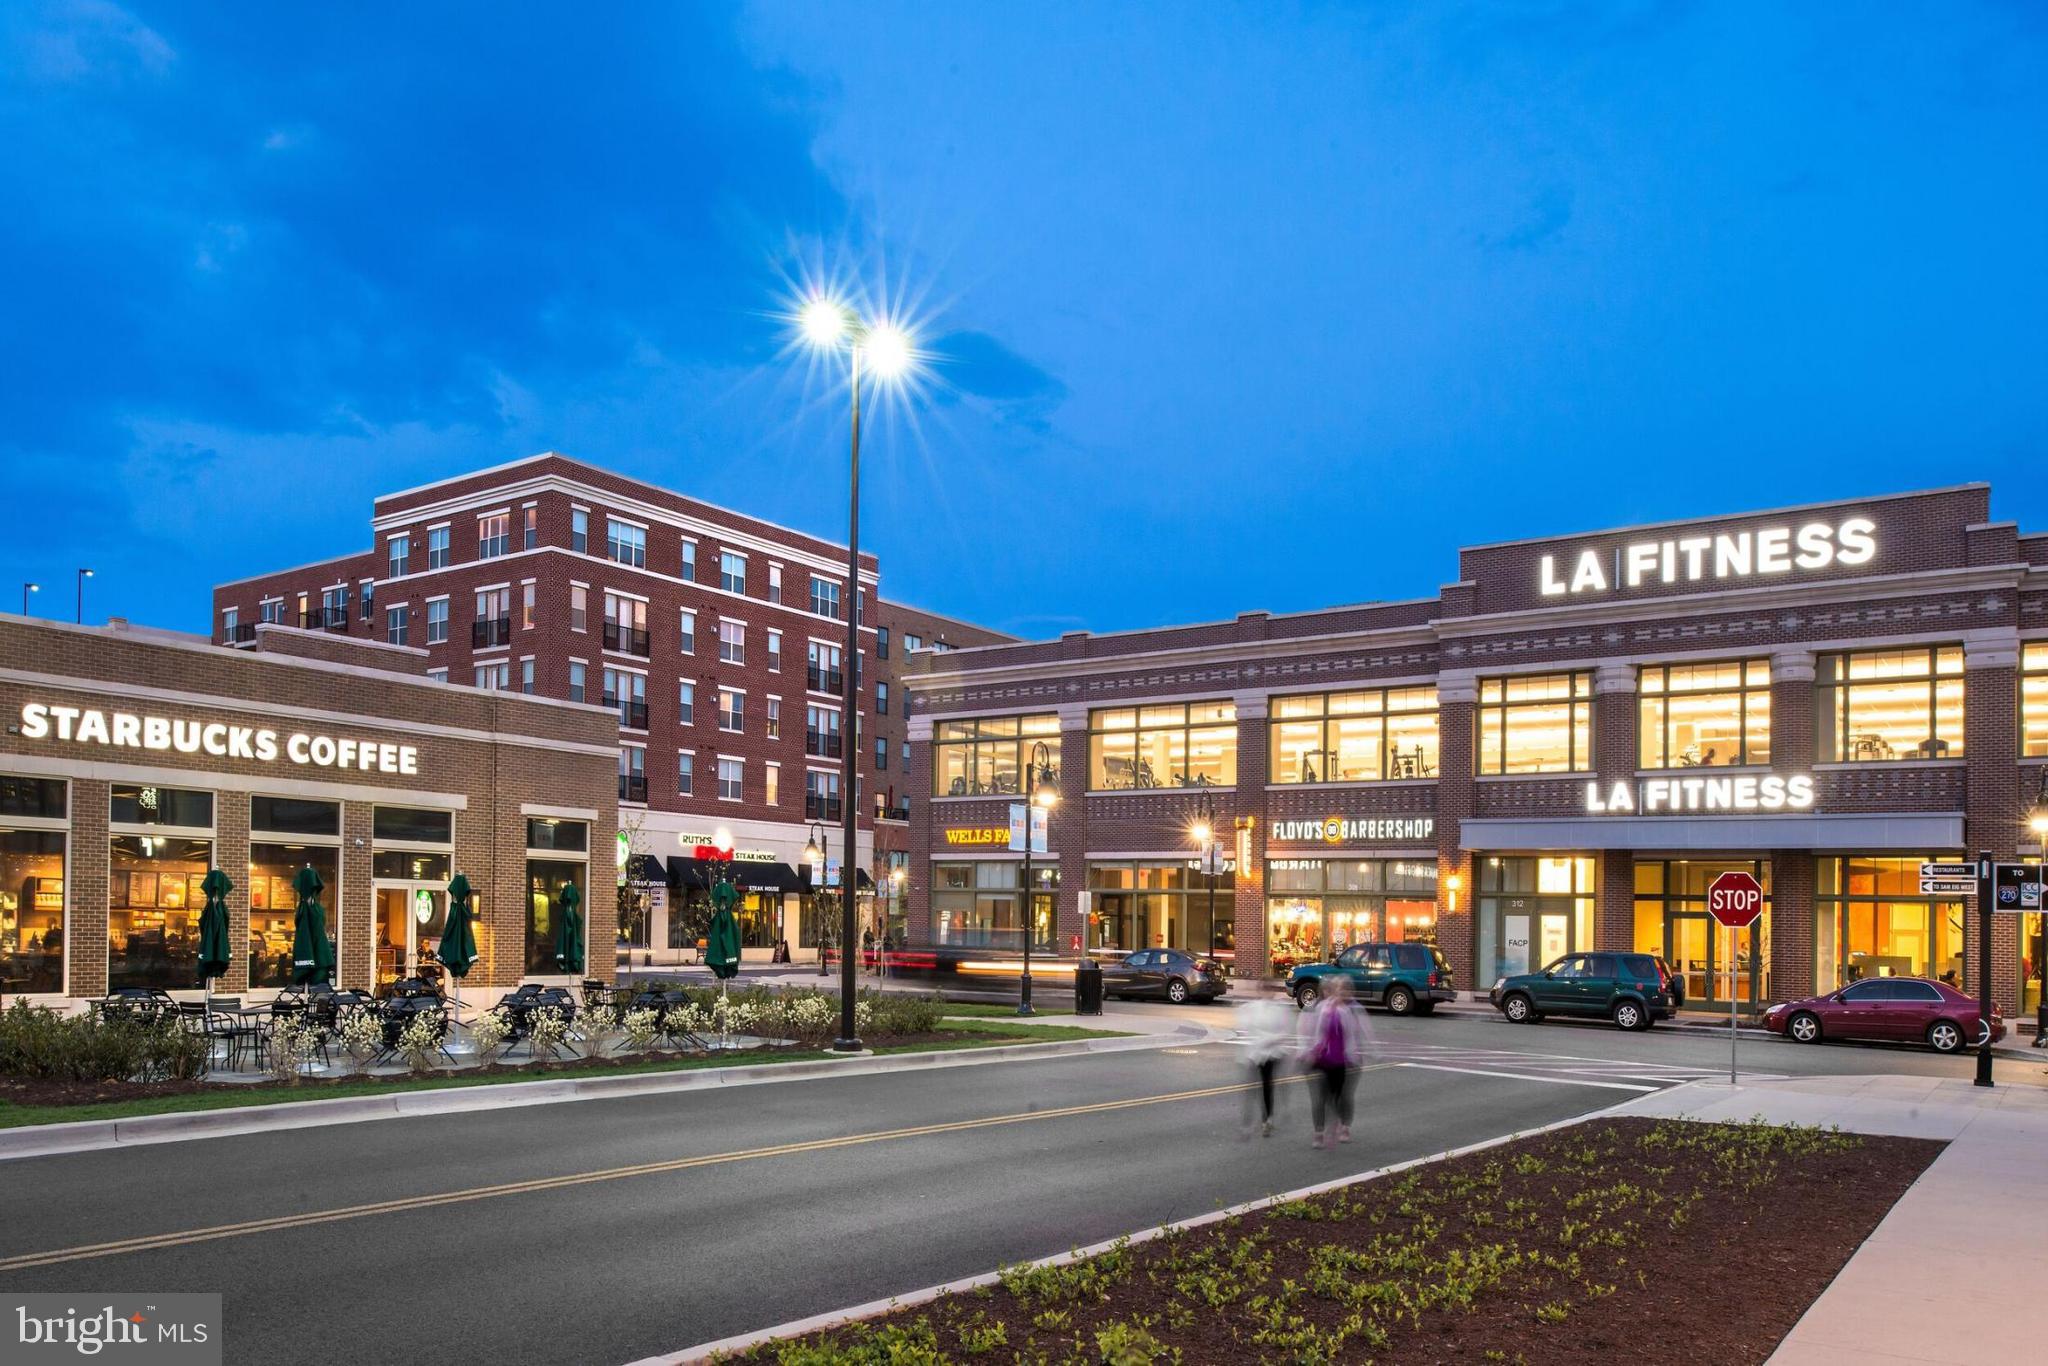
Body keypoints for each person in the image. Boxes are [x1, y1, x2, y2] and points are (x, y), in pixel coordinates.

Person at [1296, 974, 1370, 1149]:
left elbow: (1352, 1036)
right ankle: (1319, 1132)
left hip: (1341, 1060)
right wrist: (1306, 1052)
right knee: (1320, 1097)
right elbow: (1311, 1032)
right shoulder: (1318, 1008)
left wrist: (1359, 1055)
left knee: (1339, 1096)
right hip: (1320, 1059)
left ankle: (1340, 1124)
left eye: (1335, 989)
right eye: (1329, 989)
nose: (1332, 992)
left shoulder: (1348, 1010)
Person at [1239, 987, 1296, 1137]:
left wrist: (1269, 1039)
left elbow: (1286, 1031)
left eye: (1269, 988)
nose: (1267, 992)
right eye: (1264, 988)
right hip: (1256, 1052)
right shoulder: (1255, 1009)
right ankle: (1250, 1122)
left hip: (1273, 1052)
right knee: (1253, 1088)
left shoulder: (1279, 1009)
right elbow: (1248, 1027)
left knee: (1267, 1085)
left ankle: (1268, 1119)